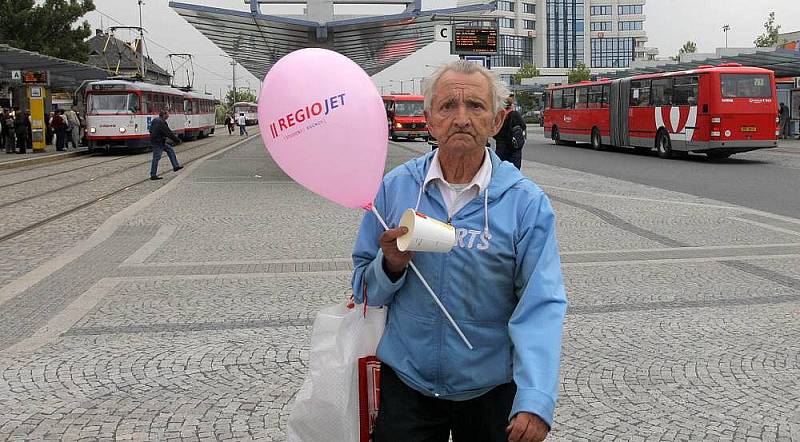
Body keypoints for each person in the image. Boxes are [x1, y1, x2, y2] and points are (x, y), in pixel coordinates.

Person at [352, 60, 567, 442]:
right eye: (448, 106)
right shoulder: (395, 188)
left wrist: (535, 397)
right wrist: (391, 266)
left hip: (491, 390)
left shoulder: (525, 203)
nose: (462, 118)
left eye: (476, 107)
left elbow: (541, 305)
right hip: (408, 384)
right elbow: (362, 291)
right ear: (429, 119)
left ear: (497, 121)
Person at [493, 95, 526, 169]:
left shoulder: (499, 116)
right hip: (514, 145)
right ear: (511, 105)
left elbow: (494, 131)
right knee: (514, 169)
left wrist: (499, 139)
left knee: (499, 167)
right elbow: (523, 126)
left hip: (501, 146)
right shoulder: (515, 114)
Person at [148, 109, 182, 180]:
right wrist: (177, 140)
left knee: (170, 150)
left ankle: (175, 166)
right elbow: (168, 133)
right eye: (167, 114)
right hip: (158, 142)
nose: (168, 116)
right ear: (164, 115)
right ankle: (153, 174)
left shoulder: (155, 120)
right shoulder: (162, 122)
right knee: (156, 158)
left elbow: (150, 130)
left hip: (158, 141)